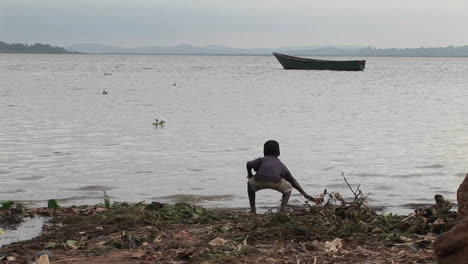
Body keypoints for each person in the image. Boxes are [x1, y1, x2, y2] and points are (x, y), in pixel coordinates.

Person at [246, 140, 316, 214]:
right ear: (279, 153)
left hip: (258, 180)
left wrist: (250, 174)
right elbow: (292, 180)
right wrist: (304, 194)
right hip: (276, 182)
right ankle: (282, 208)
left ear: (264, 152)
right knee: (288, 187)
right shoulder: (281, 164)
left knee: (250, 184)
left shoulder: (261, 160)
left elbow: (248, 164)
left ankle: (253, 209)